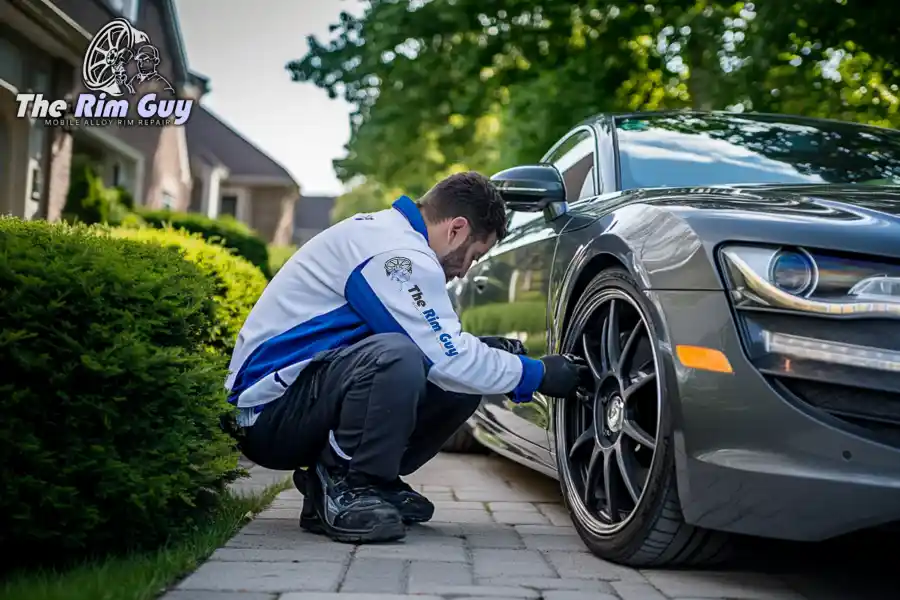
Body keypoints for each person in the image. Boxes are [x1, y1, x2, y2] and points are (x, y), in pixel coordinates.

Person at [223, 172, 588, 544]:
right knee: (398, 358)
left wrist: (500, 361)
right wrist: (539, 374)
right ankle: (348, 484)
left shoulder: (391, 238)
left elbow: (443, 351)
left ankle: (370, 479)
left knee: (451, 372)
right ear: (457, 230)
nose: (465, 270)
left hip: (299, 393)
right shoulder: (394, 253)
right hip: (266, 413)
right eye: (474, 256)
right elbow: (444, 358)